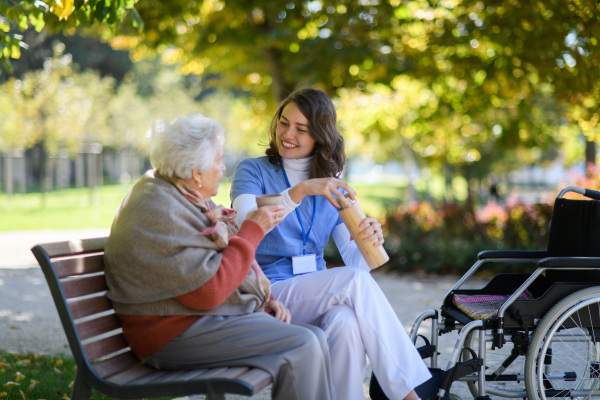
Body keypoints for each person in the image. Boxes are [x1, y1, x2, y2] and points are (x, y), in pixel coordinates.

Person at [103, 112, 335, 400]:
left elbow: (211, 270)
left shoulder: (179, 193)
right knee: (302, 343)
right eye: (218, 161)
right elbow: (209, 292)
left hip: (193, 320)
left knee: (313, 337)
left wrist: (266, 300)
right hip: (171, 334)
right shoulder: (162, 210)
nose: (224, 168)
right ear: (196, 173)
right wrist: (253, 230)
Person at [231, 88, 432, 400]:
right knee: (354, 283)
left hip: (313, 293)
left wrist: (368, 239)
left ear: (320, 136)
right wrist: (300, 191)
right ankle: (409, 396)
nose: (287, 134)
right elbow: (246, 217)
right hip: (267, 291)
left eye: (301, 129)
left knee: (347, 321)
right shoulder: (253, 169)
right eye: (284, 123)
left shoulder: (332, 181)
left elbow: (355, 263)